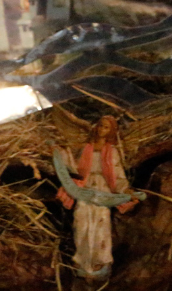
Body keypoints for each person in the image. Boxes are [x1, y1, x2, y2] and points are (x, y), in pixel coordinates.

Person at [56, 115, 138, 280]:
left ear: (111, 131)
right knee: (81, 222)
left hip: (103, 190)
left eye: (106, 127)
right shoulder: (86, 148)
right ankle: (83, 262)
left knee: (101, 224)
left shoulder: (112, 152)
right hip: (85, 189)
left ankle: (100, 263)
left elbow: (117, 175)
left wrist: (125, 189)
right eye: (100, 126)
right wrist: (62, 153)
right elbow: (74, 167)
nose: (101, 130)